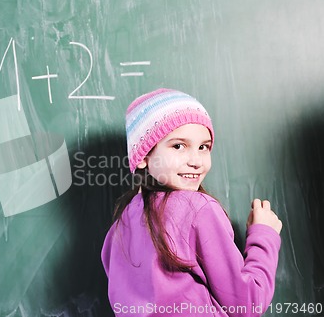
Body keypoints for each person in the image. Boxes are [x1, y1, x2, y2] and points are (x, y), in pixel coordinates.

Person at [101, 88, 282, 317]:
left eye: (203, 147)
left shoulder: (119, 226)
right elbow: (247, 305)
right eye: (178, 146)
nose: (196, 161)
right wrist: (264, 235)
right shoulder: (198, 210)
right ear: (144, 156)